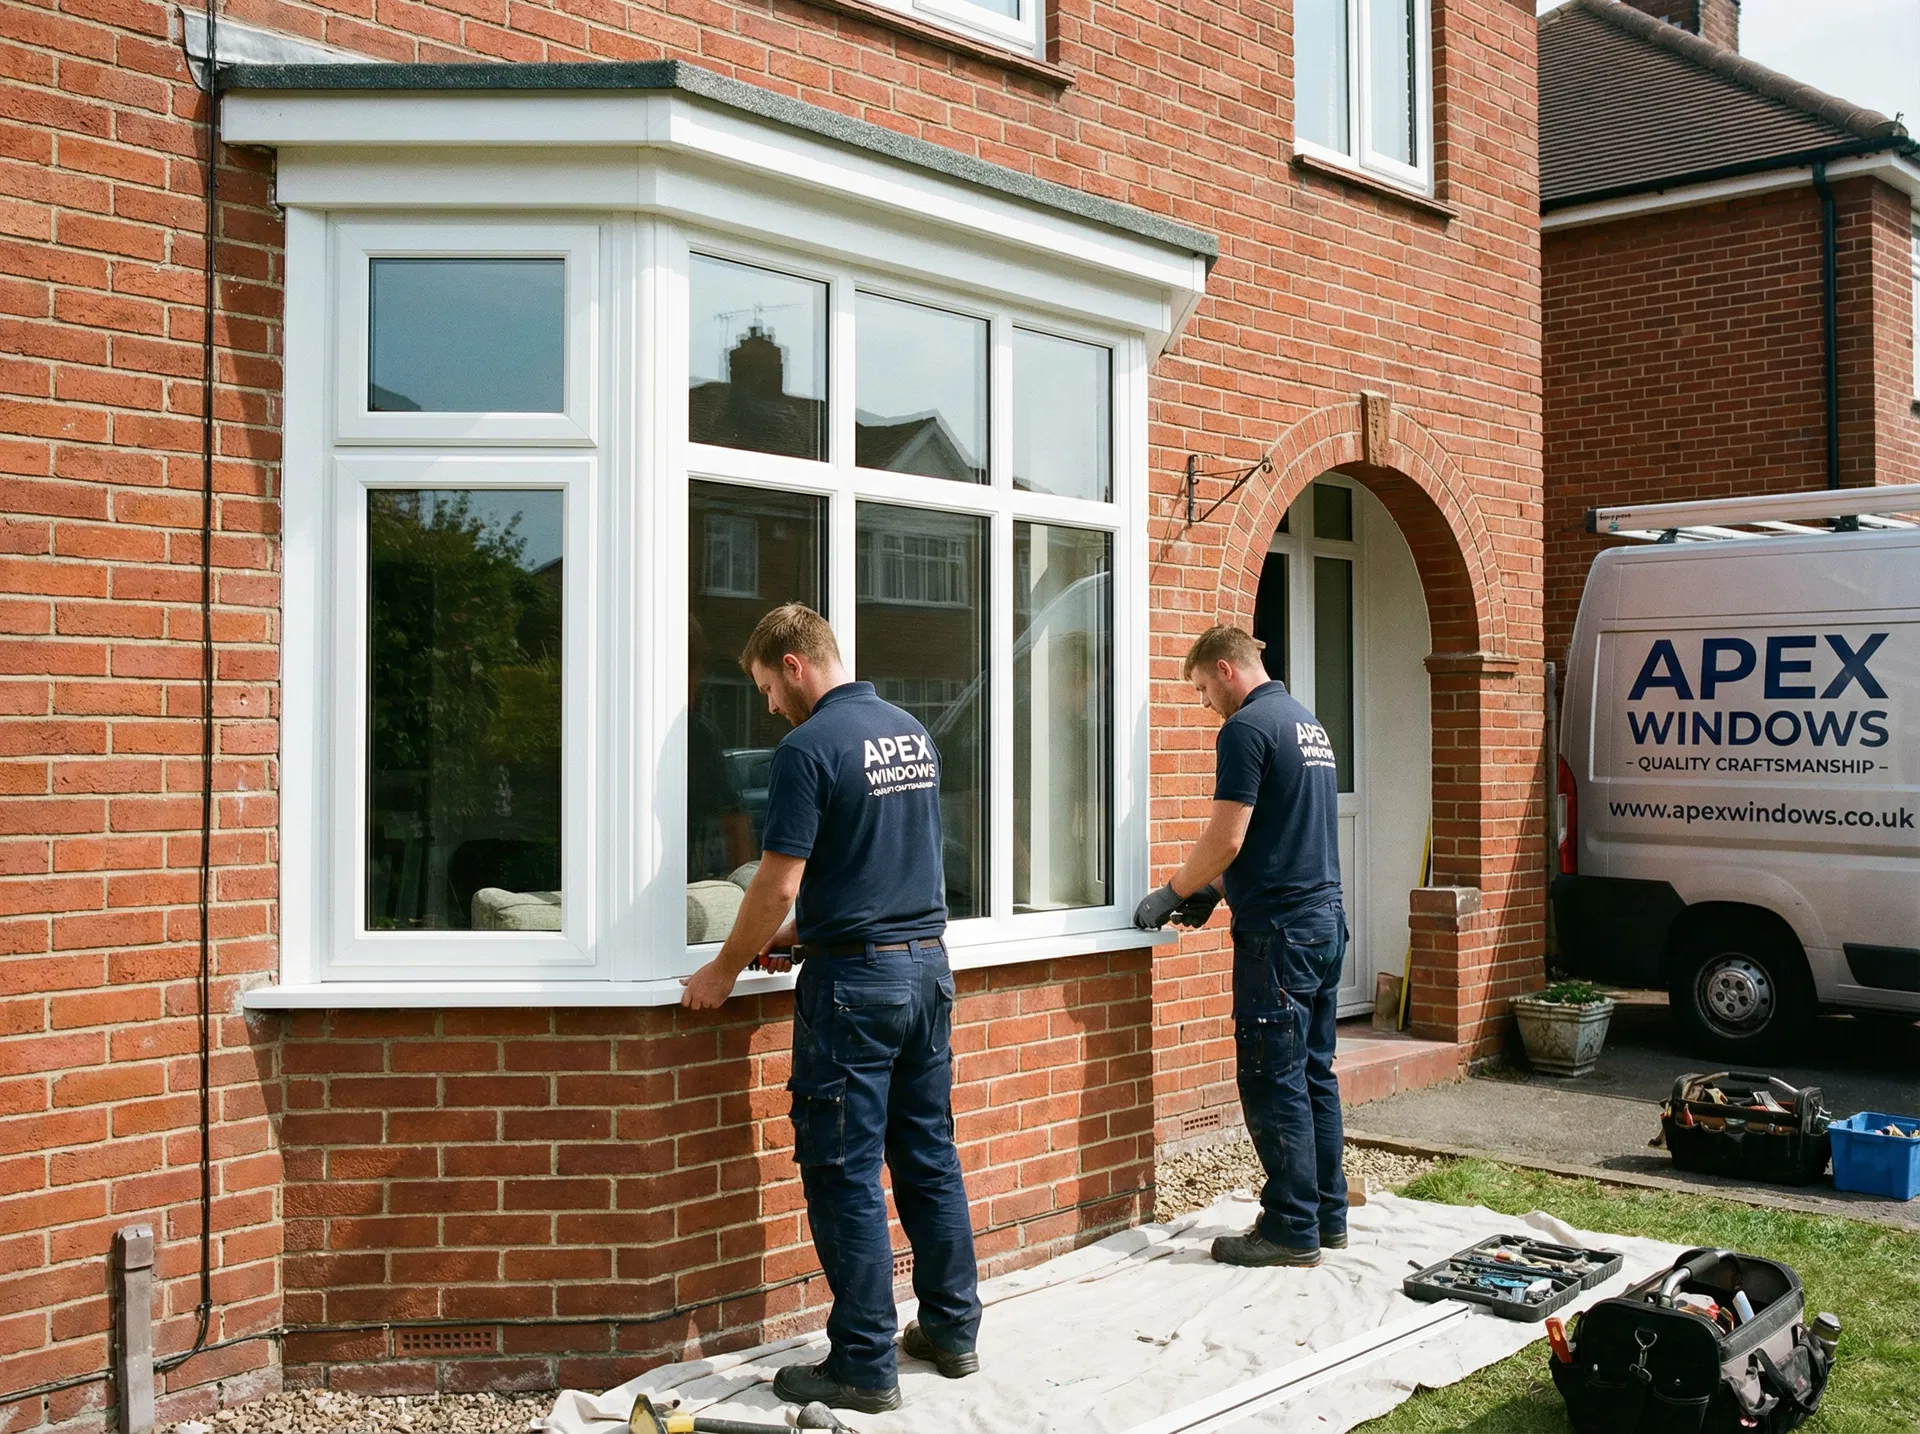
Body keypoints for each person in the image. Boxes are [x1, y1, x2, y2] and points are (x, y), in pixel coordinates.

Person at [681, 603, 981, 1414]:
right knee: (928, 1155)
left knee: (843, 1171)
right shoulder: (909, 732)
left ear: (795, 664)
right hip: (925, 971)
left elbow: (778, 879)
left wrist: (723, 968)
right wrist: (804, 932)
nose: (768, 706)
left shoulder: (808, 747)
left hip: (856, 990)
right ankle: (952, 1330)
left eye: (766, 687)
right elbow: (878, 858)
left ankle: (863, 1364)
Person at [1133, 625, 1349, 1267]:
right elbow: (1273, 837)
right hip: (1323, 924)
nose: (1205, 704)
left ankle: (1290, 1228)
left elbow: (1227, 837)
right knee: (1313, 1074)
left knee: (1273, 1077)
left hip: (1279, 937)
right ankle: (1326, 1215)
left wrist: (1172, 891)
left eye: (1203, 689)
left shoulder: (1246, 729)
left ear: (1226, 669)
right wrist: (1215, 889)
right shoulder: (1307, 725)